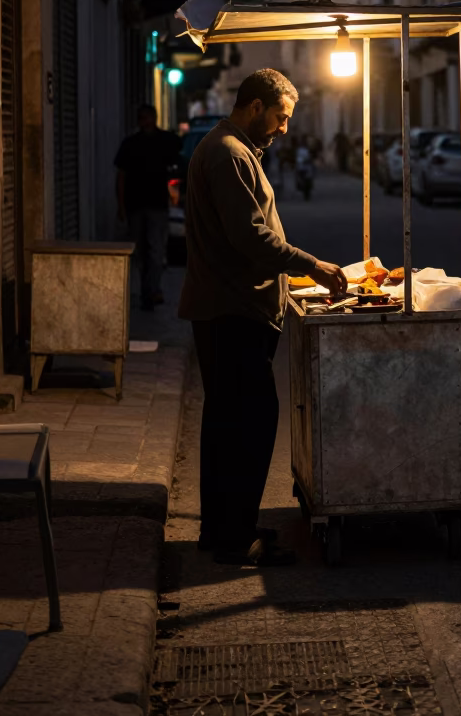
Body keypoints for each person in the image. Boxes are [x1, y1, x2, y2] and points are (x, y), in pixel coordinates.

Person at [178, 69, 348, 567]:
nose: (284, 129)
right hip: (231, 313)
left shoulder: (232, 149)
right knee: (246, 426)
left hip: (230, 309)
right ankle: (233, 540)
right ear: (255, 107)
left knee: (230, 425)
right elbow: (252, 237)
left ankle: (225, 530)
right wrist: (311, 265)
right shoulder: (229, 153)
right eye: (280, 117)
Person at [114, 104, 181, 310]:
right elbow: (121, 177)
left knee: (155, 250)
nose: (142, 121)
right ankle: (148, 290)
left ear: (153, 118)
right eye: (140, 118)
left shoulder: (165, 141)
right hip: (137, 206)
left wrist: (174, 193)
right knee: (142, 251)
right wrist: (121, 205)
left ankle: (152, 289)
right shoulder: (131, 144)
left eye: (145, 117)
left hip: (157, 205)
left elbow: (176, 168)